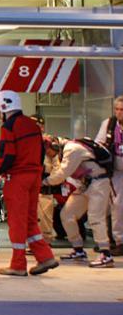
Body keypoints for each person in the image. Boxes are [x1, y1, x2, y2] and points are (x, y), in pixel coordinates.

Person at [0, 91, 57, 276]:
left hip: (17, 179)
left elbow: (7, 157)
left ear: (4, 107)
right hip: (35, 177)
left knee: (17, 222)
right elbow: (41, 153)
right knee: (30, 219)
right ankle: (45, 256)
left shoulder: (9, 126)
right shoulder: (32, 125)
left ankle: (18, 265)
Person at [47, 139, 114, 268]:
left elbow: (62, 174)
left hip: (99, 183)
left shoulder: (72, 149)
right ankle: (78, 250)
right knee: (67, 214)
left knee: (96, 218)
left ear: (54, 145)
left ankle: (106, 254)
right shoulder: (69, 148)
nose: (47, 154)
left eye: (46, 149)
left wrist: (44, 182)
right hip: (86, 184)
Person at [93, 96, 123, 257]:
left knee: (118, 206)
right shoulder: (109, 124)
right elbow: (98, 143)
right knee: (113, 206)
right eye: (117, 109)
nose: (119, 113)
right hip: (114, 169)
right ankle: (113, 240)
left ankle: (118, 240)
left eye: (122, 110)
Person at [33, 115, 61, 244]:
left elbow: (57, 166)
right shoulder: (24, 142)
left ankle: (45, 243)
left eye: (38, 125)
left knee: (44, 216)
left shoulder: (49, 142)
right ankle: (33, 243)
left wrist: (49, 181)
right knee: (30, 217)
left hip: (44, 185)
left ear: (42, 126)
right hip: (30, 184)